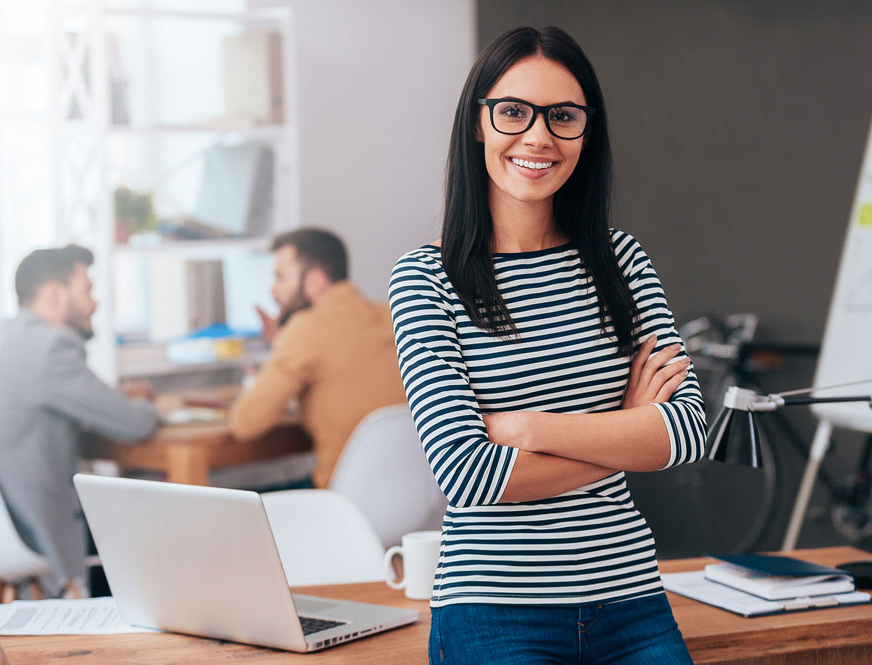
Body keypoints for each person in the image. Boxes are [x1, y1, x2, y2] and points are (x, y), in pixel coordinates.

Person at [388, 27, 706, 664]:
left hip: (632, 602)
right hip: (493, 612)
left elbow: (688, 432)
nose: (538, 137)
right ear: (478, 123)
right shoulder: (426, 279)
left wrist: (531, 429)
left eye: (563, 116)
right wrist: (625, 431)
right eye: (513, 112)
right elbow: (466, 473)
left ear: (586, 133)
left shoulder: (620, 261)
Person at [0, 244, 156, 589]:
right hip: (27, 529)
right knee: (145, 529)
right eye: (88, 290)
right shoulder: (50, 348)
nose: (95, 303)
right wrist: (145, 402)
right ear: (56, 294)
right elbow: (133, 424)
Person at [228, 228, 407, 489]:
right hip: (410, 502)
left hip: (341, 500)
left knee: (229, 504)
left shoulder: (307, 328)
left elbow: (245, 423)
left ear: (314, 281)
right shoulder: (390, 317)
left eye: (281, 277)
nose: (273, 289)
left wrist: (281, 349)